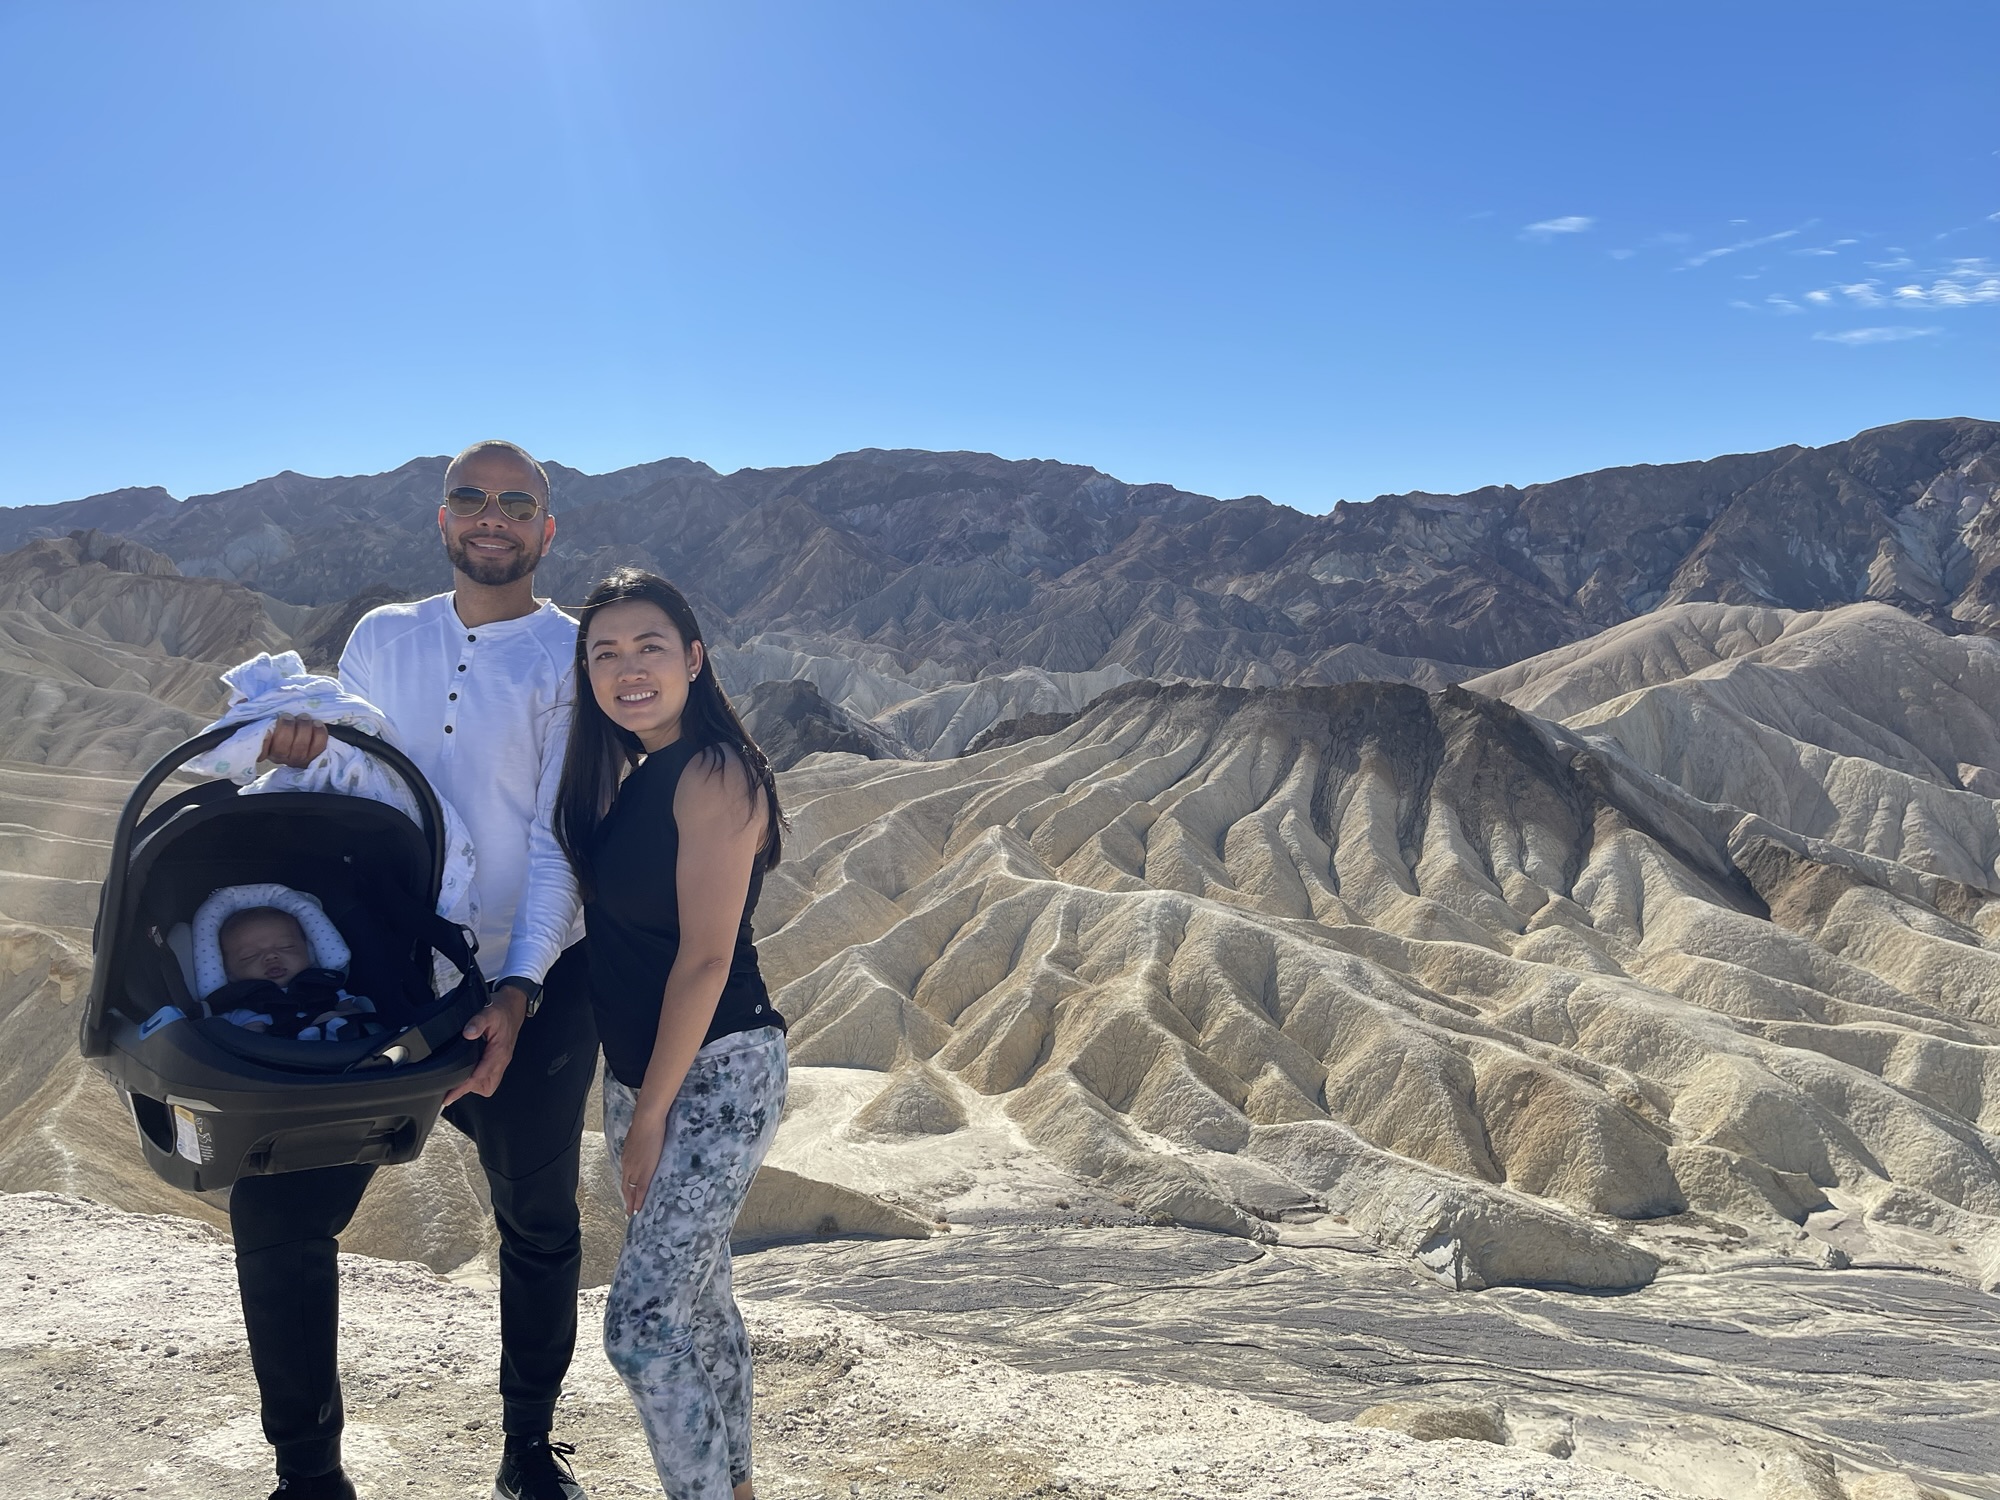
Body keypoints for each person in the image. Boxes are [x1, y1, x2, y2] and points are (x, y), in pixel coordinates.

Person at [241, 439, 597, 1500]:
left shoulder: (571, 657)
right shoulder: (382, 636)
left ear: (546, 529)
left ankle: (527, 1450)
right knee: (280, 1210)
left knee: (536, 1219)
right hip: (383, 975)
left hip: (527, 980)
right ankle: (308, 1473)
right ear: (441, 519)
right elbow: (353, 785)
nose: (492, 517)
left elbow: (555, 841)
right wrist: (286, 759)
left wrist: (518, 991)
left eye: (515, 503)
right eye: (471, 498)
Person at [554, 568, 788, 1500]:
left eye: (650, 646)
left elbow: (704, 960)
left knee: (641, 1328)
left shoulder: (716, 772)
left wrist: (649, 1113)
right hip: (645, 1075)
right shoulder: (640, 775)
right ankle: (731, 1487)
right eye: (604, 653)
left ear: (694, 659)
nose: (627, 668)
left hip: (716, 1073)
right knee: (700, 1302)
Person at [209, 906, 377, 1039]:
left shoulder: (324, 987)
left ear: (309, 953)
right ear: (228, 972)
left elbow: (359, 1012)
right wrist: (243, 1036)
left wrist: (339, 1015)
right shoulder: (232, 1006)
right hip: (271, 1065)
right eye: (249, 956)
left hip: (336, 1055)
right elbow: (215, 1040)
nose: (271, 956)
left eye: (286, 947)